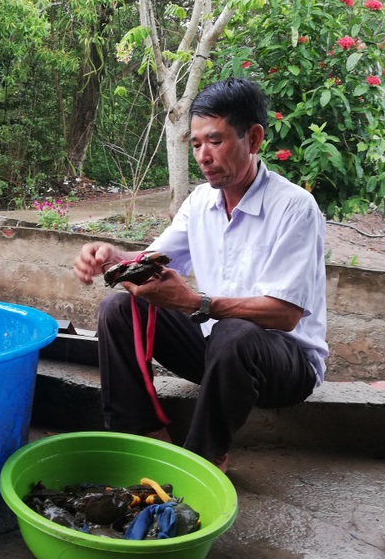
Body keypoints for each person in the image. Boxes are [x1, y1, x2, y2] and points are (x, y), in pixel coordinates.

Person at [72, 78, 328, 472]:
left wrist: (199, 303)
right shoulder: (200, 201)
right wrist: (114, 257)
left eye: (215, 141)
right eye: (195, 144)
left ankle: (203, 460)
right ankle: (142, 435)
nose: (203, 156)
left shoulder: (295, 207)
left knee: (234, 331)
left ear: (254, 138)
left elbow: (286, 314)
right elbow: (155, 260)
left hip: (284, 366)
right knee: (118, 309)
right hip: (216, 355)